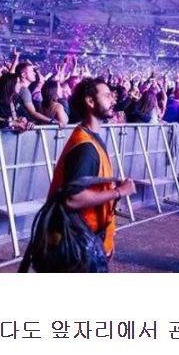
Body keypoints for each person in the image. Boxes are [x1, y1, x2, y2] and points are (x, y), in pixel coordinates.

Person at [46, 77, 136, 262]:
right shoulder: (86, 147)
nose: (113, 100)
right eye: (107, 96)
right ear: (90, 101)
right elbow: (73, 199)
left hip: (89, 241)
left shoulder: (88, 137)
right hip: (80, 246)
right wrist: (119, 192)